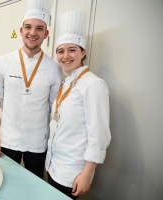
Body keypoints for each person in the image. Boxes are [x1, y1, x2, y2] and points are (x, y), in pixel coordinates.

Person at [0, 0, 62, 179]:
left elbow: (56, 110)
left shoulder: (54, 68)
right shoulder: (3, 62)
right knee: (4, 182)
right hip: (7, 140)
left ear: (46, 34)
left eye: (39, 28)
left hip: (38, 143)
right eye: (28, 27)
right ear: (21, 31)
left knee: (34, 186)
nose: (32, 33)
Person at [45, 11, 111, 199]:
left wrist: (87, 173)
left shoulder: (93, 84)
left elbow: (99, 134)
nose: (65, 56)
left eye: (72, 50)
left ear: (83, 52)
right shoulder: (66, 81)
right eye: (60, 51)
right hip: (52, 165)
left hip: (72, 172)